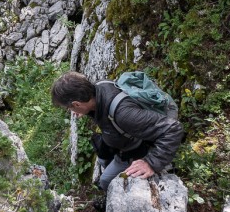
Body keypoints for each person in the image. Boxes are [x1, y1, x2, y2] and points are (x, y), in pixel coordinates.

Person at [51, 71, 184, 192]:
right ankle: (111, 168)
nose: (71, 112)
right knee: (102, 158)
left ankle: (108, 195)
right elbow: (103, 109)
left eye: (70, 108)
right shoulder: (98, 87)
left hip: (134, 148)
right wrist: (85, 111)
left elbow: (173, 128)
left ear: (76, 104)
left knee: (104, 182)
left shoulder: (124, 114)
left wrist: (151, 163)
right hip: (120, 140)